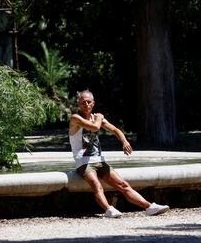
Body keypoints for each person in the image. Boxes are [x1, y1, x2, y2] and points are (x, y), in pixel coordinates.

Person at [69, 89, 170, 218]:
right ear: (79, 104)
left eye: (89, 102)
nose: (86, 105)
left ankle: (149, 207)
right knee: (97, 185)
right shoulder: (75, 118)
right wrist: (100, 117)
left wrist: (124, 141)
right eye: (83, 103)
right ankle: (109, 209)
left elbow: (116, 130)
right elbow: (94, 127)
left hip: (99, 160)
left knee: (123, 184)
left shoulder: (96, 118)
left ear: (93, 103)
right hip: (83, 162)